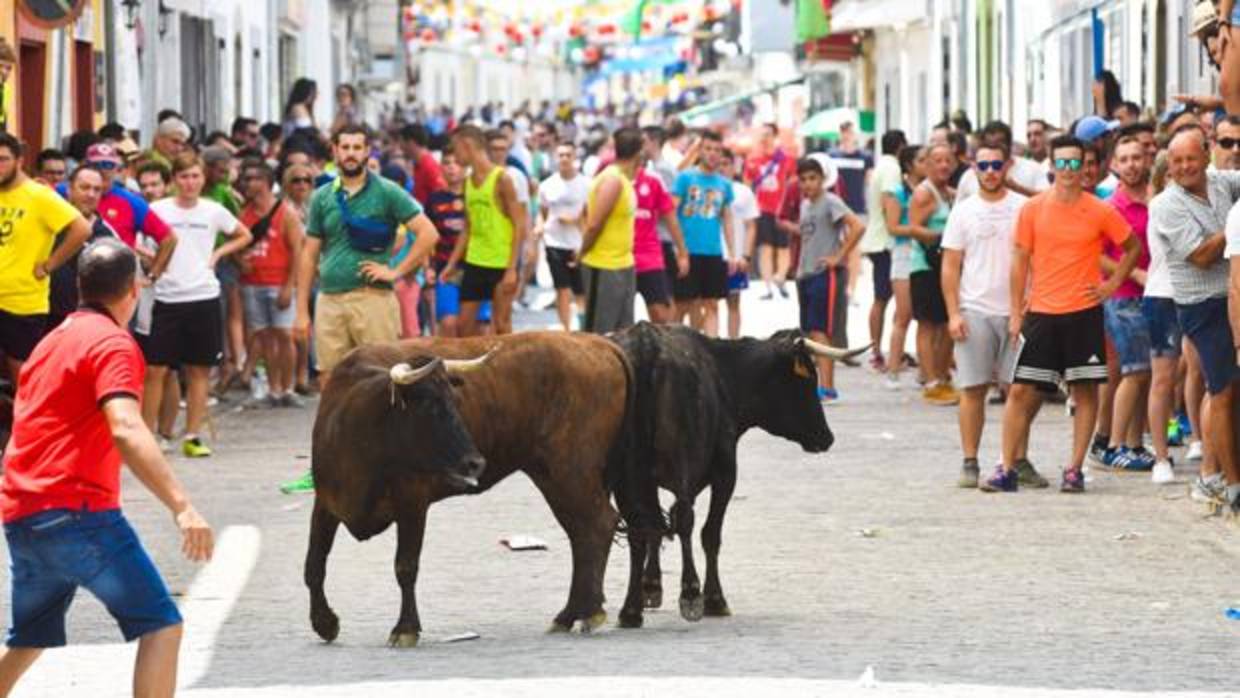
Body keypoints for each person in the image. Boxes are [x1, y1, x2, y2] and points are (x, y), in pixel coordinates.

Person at [0, 239, 213, 698]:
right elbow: (125, 426)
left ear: (78, 287)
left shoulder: (50, 341)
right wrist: (182, 506)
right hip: (77, 511)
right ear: (133, 291)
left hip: (23, 511)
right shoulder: (114, 344)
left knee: (30, 638)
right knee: (161, 626)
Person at [285, 125, 438, 495]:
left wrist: (397, 271)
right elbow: (309, 252)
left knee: (385, 380)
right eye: (345, 147)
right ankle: (326, 467)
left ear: (368, 152)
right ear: (334, 152)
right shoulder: (323, 196)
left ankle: (391, 466)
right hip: (330, 300)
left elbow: (427, 233)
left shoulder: (387, 192)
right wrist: (302, 310)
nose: (350, 153)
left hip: (373, 299)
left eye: (357, 147)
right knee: (329, 382)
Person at [983, 135, 1139, 494]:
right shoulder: (1033, 208)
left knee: (1084, 392)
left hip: (1083, 312)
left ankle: (1074, 469)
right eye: (1062, 163)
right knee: (1020, 391)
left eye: (1076, 163)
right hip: (1042, 312)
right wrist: (1015, 312)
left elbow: (1131, 247)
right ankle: (1006, 468)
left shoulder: (1099, 209)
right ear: (1051, 166)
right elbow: (1019, 261)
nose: (1069, 171)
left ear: (1087, 167)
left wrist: (1112, 283)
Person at [1150, 125, 1240, 515]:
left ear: (1206, 157)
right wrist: (1233, 230)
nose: (1185, 166)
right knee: (1221, 389)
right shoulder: (1166, 205)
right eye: (1177, 161)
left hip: (1232, 296)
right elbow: (1200, 256)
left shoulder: (1221, 182)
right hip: (1200, 305)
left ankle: (1216, 473)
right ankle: (1228, 482)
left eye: (1191, 158)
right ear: (1169, 165)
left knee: (1229, 389)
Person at [940, 142, 1039, 489]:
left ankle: (1017, 458)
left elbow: (1037, 257)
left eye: (997, 165)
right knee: (973, 388)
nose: (991, 172)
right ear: (973, 168)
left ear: (1008, 166)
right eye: (984, 166)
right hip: (975, 309)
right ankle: (970, 460)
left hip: (1019, 312)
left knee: (1022, 391)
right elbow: (950, 266)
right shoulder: (963, 211)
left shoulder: (1024, 208)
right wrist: (953, 313)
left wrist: (1031, 300)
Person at [146, 154, 252, 458]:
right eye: (183, 177)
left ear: (202, 179)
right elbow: (144, 242)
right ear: (173, 181)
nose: (189, 183)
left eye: (194, 176)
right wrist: (153, 265)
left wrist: (219, 254)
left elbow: (243, 234)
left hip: (203, 295)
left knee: (199, 371)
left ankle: (192, 435)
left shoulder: (213, 210)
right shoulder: (158, 210)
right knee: (156, 370)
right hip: (166, 296)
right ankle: (150, 434)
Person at [1089, 135, 1158, 474]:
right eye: (1125, 159)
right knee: (1134, 372)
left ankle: (1133, 443)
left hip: (1154, 295)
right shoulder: (1110, 207)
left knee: (1144, 373)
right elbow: (1098, 255)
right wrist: (1137, 274)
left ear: (1147, 160)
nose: (1132, 164)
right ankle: (1114, 445)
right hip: (1123, 296)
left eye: (1137, 157)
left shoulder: (1156, 199)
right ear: (1114, 165)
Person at [0, 134, 92, 384]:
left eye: (3, 160)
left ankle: (28, 424)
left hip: (23, 300)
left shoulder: (38, 194)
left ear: (19, 160)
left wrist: (50, 264)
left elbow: (81, 229)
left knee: (24, 378)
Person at [794, 157, 865, 404]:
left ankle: (827, 387)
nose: (808, 184)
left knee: (821, 330)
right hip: (805, 274)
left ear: (822, 179)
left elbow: (857, 226)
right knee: (809, 332)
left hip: (825, 274)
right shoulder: (805, 206)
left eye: (813, 178)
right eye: (803, 179)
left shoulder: (831, 201)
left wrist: (838, 256)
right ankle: (817, 385)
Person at [443, 124, 525, 338]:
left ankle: (509, 370)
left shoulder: (502, 179)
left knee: (501, 325)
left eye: (456, 148)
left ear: (467, 145)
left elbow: (519, 224)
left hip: (500, 263)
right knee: (463, 326)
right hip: (475, 261)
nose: (454, 154)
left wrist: (512, 269)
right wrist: (451, 264)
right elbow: (468, 228)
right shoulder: (468, 182)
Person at [238, 159, 304, 408]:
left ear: (266, 183)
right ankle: (274, 388)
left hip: (278, 282)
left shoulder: (285, 213)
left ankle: (288, 387)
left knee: (285, 335)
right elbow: (234, 243)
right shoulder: (244, 214)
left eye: (253, 179)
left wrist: (290, 286)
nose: (248, 184)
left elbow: (298, 250)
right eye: (247, 179)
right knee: (265, 337)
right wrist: (238, 260)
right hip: (252, 282)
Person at [908, 143, 959, 406]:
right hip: (925, 266)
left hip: (946, 266)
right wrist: (943, 236)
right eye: (937, 160)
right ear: (926, 165)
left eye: (947, 160)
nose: (943, 165)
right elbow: (913, 228)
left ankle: (942, 375)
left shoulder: (952, 193)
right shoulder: (923, 194)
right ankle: (930, 380)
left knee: (946, 324)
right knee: (927, 324)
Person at [672, 130, 735, 337]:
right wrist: (678, 250)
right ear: (700, 150)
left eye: (717, 150)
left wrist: (732, 252)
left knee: (712, 305)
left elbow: (726, 218)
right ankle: (674, 348)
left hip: (713, 252)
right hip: (688, 251)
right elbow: (671, 213)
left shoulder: (724, 184)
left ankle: (712, 349)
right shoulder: (685, 178)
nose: (712, 154)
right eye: (708, 149)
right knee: (682, 304)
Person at [579, 127, 641, 333]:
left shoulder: (622, 180)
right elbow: (594, 223)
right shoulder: (612, 180)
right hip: (603, 265)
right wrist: (582, 253)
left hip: (623, 263)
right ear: (638, 153)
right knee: (599, 333)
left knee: (623, 331)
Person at [861, 130, 906, 371]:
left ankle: (878, 351)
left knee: (883, 298)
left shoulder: (881, 166)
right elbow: (890, 200)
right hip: (884, 242)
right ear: (901, 147)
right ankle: (877, 352)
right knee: (883, 298)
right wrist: (897, 229)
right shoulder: (891, 169)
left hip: (878, 240)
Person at [884, 145, 927, 390]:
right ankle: (893, 369)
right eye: (922, 160)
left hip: (923, 253)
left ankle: (925, 370)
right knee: (904, 314)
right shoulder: (897, 192)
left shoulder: (931, 190)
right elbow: (892, 227)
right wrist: (918, 230)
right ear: (909, 165)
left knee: (925, 316)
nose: (927, 164)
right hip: (904, 253)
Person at [537, 142, 589, 330]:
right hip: (554, 242)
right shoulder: (547, 185)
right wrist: (542, 227)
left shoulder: (586, 184)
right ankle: (565, 329)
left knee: (581, 291)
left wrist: (575, 221)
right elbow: (543, 211)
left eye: (568, 155)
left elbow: (590, 216)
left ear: (575, 158)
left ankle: (583, 327)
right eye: (561, 155)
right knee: (562, 289)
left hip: (579, 244)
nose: (564, 159)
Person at [744, 123, 796, 299]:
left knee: (783, 248)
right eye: (762, 134)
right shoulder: (752, 159)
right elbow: (747, 185)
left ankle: (780, 277)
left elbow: (793, 181)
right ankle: (767, 286)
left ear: (774, 136)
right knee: (765, 248)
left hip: (781, 209)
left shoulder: (785, 158)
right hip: (762, 209)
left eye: (767, 134)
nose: (764, 138)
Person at [954, 121, 1049, 200]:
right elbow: (959, 212)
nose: (994, 148)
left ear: (1009, 144)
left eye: (999, 143)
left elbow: (1047, 199)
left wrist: (1016, 188)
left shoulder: (1033, 169)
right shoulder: (970, 175)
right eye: (990, 144)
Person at [722, 149, 758, 339]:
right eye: (719, 164)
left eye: (726, 164)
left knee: (733, 303)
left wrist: (746, 255)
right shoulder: (705, 188)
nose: (722, 168)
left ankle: (732, 344)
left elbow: (751, 226)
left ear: (733, 166)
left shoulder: (743, 191)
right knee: (705, 303)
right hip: (710, 255)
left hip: (735, 257)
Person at [399, 123, 447, 207]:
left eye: (402, 142)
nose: (401, 147)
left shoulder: (429, 166)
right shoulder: (418, 165)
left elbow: (441, 197)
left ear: (411, 143)